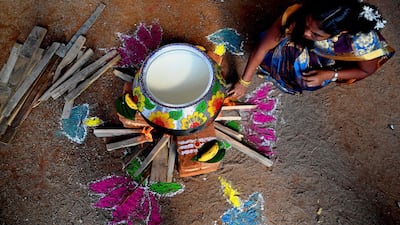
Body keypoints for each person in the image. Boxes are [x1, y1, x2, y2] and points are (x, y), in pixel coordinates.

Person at [229, 0, 395, 97]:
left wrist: (331, 74)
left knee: (307, 79)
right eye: (307, 25)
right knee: (273, 52)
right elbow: (263, 47)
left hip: (329, 56)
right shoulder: (299, 15)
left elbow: (366, 71)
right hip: (312, 45)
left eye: (316, 34)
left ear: (341, 32)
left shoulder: (361, 44)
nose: (306, 33)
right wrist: (244, 82)